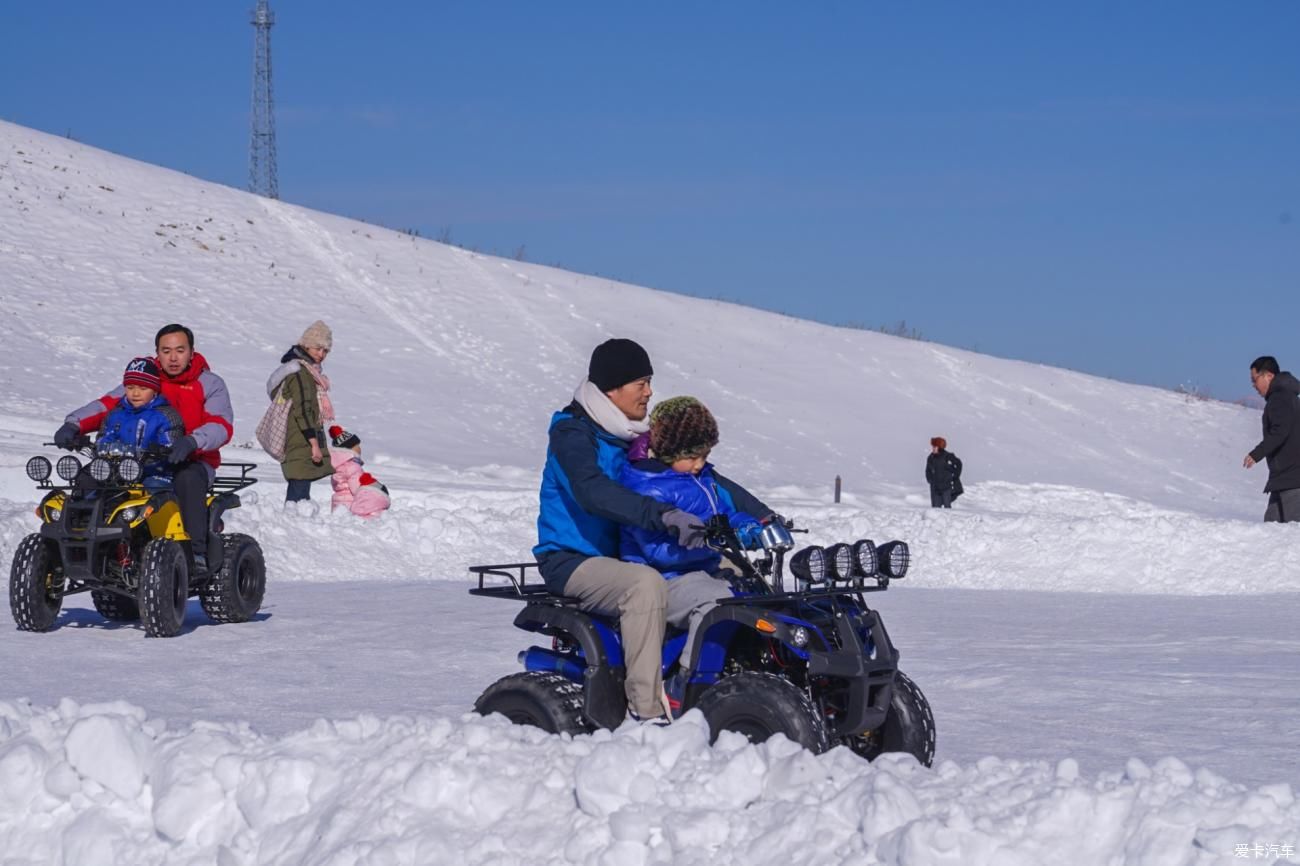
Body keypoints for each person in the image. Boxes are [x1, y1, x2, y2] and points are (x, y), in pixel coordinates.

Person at [534, 339, 723, 723]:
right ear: (612, 388)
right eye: (641, 382)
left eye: (649, 382)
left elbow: (707, 477)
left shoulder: (634, 436)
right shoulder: (573, 435)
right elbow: (594, 492)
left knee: (729, 577)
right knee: (644, 585)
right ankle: (647, 710)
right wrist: (663, 515)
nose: (650, 392)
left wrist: (763, 519)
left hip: (623, 556)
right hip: (572, 560)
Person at [618, 396, 770, 707]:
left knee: (758, 594)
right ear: (668, 451)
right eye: (693, 456)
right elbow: (657, 550)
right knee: (717, 605)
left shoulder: (700, 477)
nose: (701, 463)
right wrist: (706, 541)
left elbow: (725, 513)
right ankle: (684, 683)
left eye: (705, 454)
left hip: (702, 568)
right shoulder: (647, 486)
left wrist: (747, 527)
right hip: (665, 578)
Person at [56, 325, 233, 570]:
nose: (173, 357)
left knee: (188, 479)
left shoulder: (210, 383)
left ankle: (196, 552)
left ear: (192, 352)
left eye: (180, 350)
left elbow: (221, 425)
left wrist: (193, 441)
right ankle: (77, 542)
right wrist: (73, 425)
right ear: (157, 352)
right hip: (138, 460)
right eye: (166, 350)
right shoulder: (145, 378)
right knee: (91, 477)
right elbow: (109, 404)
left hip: (193, 457)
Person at [267, 321, 335, 502]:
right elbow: (303, 408)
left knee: (301, 481)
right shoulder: (300, 373)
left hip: (299, 435)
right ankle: (292, 522)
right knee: (299, 483)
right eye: (317, 349)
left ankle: (295, 521)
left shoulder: (307, 371)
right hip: (300, 436)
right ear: (306, 345)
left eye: (325, 351)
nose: (321, 355)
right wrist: (313, 442)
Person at [92, 357, 185, 484]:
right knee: (88, 480)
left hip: (154, 472)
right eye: (130, 388)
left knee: (154, 486)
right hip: (117, 471)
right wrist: (102, 448)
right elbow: (104, 436)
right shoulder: (115, 414)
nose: (135, 393)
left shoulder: (166, 415)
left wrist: (161, 450)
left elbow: (172, 441)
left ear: (154, 390)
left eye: (143, 389)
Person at [1243, 356, 1300, 522]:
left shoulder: (1280, 397)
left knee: (1291, 536)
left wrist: (1256, 453)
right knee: (1270, 534)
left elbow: (1280, 431)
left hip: (1293, 480)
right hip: (1283, 480)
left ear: (1269, 375)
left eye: (1255, 380)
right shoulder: (1285, 397)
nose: (1253, 386)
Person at [327, 425, 391, 518]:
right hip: (349, 504)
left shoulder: (338, 466)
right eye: (356, 446)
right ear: (349, 450)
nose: (359, 448)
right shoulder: (352, 466)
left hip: (339, 503)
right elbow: (357, 489)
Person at [925, 437, 963, 508]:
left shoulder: (948, 456)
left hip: (946, 487)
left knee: (947, 508)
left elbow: (959, 464)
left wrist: (955, 476)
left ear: (940, 447)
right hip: (935, 488)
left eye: (935, 447)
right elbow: (927, 470)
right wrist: (929, 480)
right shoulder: (931, 458)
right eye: (933, 447)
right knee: (935, 509)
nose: (933, 448)